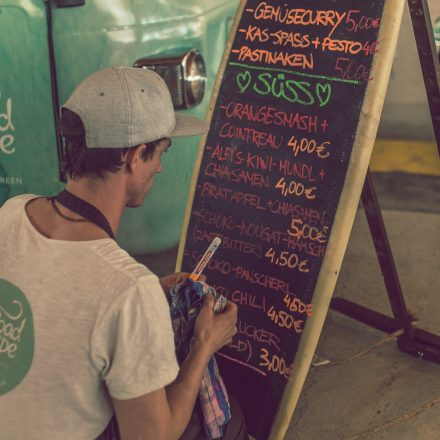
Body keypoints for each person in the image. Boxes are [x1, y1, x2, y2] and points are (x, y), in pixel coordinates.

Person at [0, 67, 244, 439]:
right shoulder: (128, 290)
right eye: (160, 151)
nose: (160, 166)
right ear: (133, 157)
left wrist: (146, 297)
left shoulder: (12, 213)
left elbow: (51, 288)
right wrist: (203, 346)